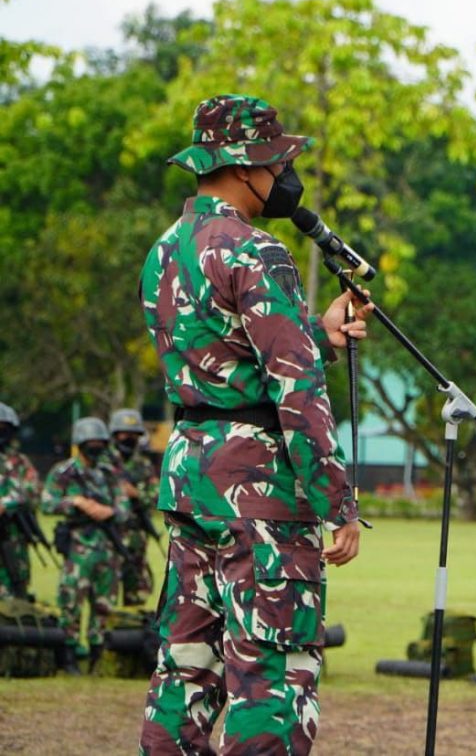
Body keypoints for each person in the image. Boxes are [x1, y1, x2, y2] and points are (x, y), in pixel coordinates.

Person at [138, 94, 370, 754]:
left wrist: (317, 333)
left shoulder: (164, 252)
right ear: (246, 166)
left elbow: (224, 362)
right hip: (260, 496)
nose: (283, 176)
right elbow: (296, 392)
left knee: (186, 668)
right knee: (271, 673)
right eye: (278, 161)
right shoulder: (257, 252)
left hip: (190, 480)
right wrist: (337, 502)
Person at [41, 417, 130, 675]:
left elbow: (124, 508)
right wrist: (76, 503)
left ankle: (97, 656)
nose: (96, 447)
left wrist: (108, 511)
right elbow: (47, 503)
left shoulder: (109, 474)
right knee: (71, 600)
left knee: (104, 604)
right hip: (78, 548)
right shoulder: (64, 472)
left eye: (100, 443)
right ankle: (68, 656)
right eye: (90, 443)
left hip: (108, 547)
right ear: (80, 444)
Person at [108, 408, 159, 606]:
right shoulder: (103, 462)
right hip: (108, 533)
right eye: (124, 434)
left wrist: (136, 494)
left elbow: (156, 496)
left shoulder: (144, 465)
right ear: (114, 435)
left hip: (136, 534)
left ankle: (131, 630)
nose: (128, 438)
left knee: (136, 593)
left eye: (133, 435)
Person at [0, 401, 41, 600]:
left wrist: (6, 503)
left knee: (17, 593)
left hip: (13, 538)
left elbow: (33, 492)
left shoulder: (21, 463)